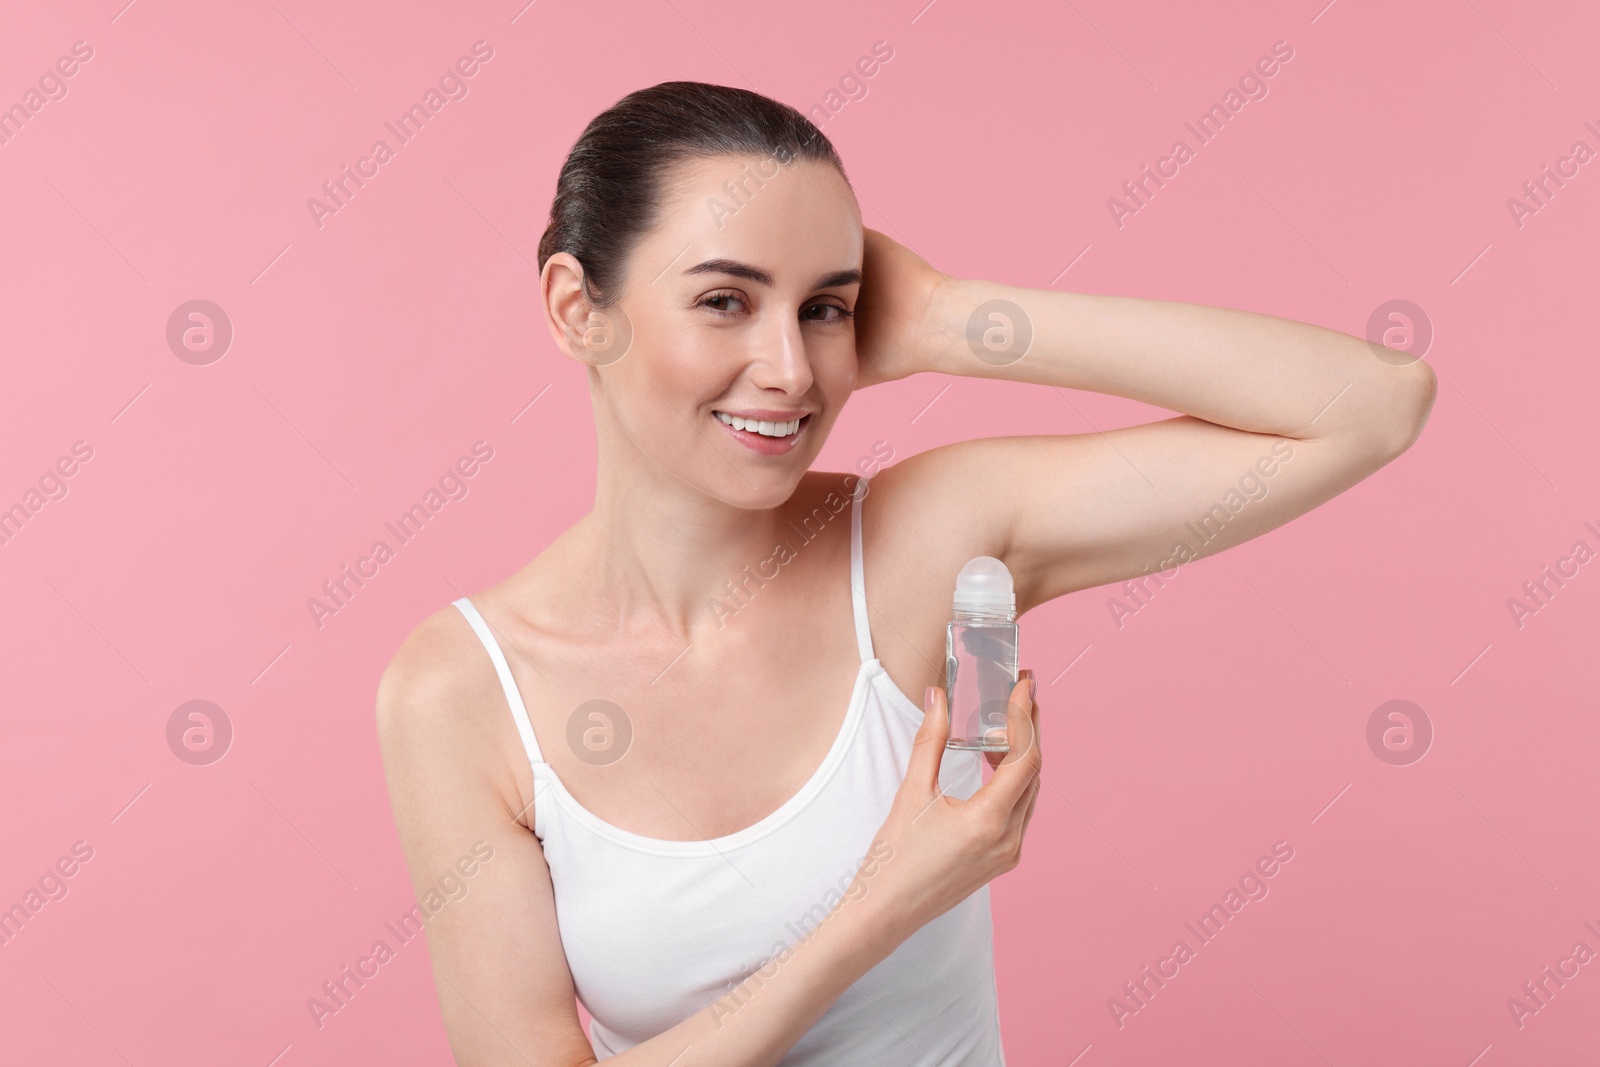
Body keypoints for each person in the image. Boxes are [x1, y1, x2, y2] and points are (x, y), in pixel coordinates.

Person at [375, 81, 1435, 1066]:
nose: (792, 370)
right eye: (724, 301)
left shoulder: (917, 546)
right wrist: (889, 897)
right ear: (576, 308)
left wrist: (943, 319)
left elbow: (1371, 405)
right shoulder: (462, 692)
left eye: (826, 307)